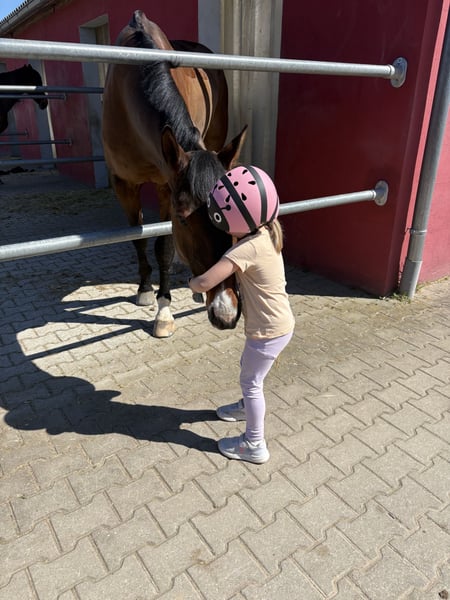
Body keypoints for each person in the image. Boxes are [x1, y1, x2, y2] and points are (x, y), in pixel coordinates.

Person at [189, 165, 295, 464]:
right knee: (251, 373)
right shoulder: (267, 232)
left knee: (251, 382)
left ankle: (254, 444)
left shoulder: (245, 251)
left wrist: (191, 282)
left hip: (267, 331)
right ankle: (245, 407)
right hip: (279, 325)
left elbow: (206, 282)